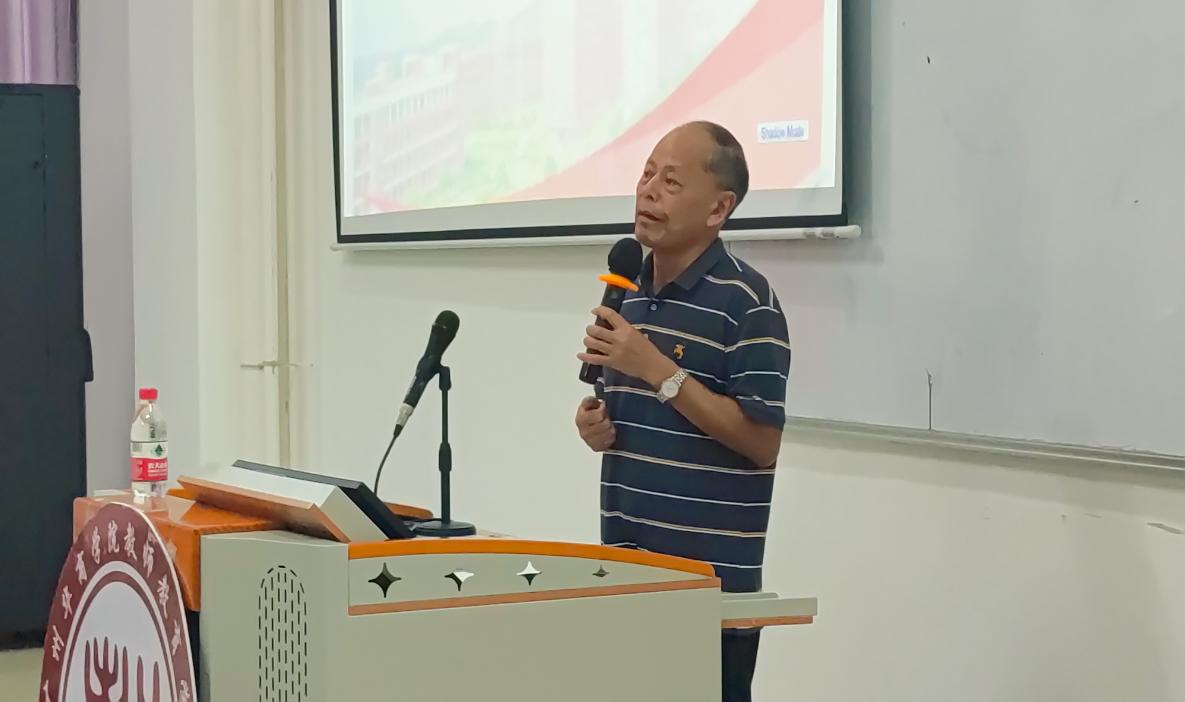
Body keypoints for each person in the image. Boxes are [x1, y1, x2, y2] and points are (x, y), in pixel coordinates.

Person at [574, 121, 791, 702]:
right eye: (646, 173)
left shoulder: (749, 303)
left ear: (719, 208)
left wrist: (656, 369)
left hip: (708, 597)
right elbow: (641, 412)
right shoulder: (629, 291)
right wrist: (596, 426)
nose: (647, 190)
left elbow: (762, 442)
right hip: (628, 575)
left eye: (670, 182)